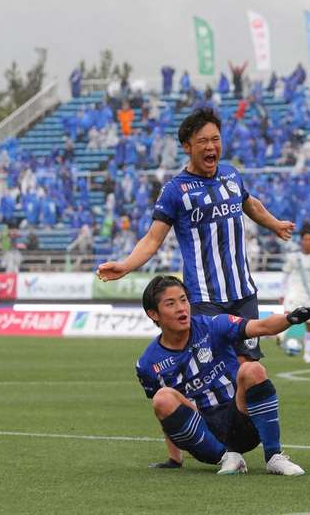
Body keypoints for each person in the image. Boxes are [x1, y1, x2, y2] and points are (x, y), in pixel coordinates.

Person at [98, 106, 297, 463]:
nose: (211, 146)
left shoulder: (232, 176)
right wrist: (126, 265)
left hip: (242, 295)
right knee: (202, 376)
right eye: (203, 140)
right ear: (187, 146)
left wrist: (275, 224)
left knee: (247, 371)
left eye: (216, 139)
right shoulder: (176, 191)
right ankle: (212, 450)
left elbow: (251, 204)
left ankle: (265, 453)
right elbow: (153, 238)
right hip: (204, 299)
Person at [135, 275, 310, 474]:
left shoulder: (213, 325)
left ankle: (274, 456)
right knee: (162, 397)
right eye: (171, 303)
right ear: (154, 314)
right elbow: (165, 413)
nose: (181, 308)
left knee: (253, 369)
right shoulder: (147, 363)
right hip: (204, 435)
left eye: (183, 300)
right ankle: (227, 458)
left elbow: (261, 326)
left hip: (240, 421)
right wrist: (174, 458)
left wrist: (289, 319)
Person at [278, 229, 310, 363]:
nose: (308, 242)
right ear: (301, 241)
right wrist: (281, 292)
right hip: (294, 293)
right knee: (287, 316)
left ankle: (307, 355)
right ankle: (281, 336)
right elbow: (285, 275)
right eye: (305, 239)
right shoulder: (293, 257)